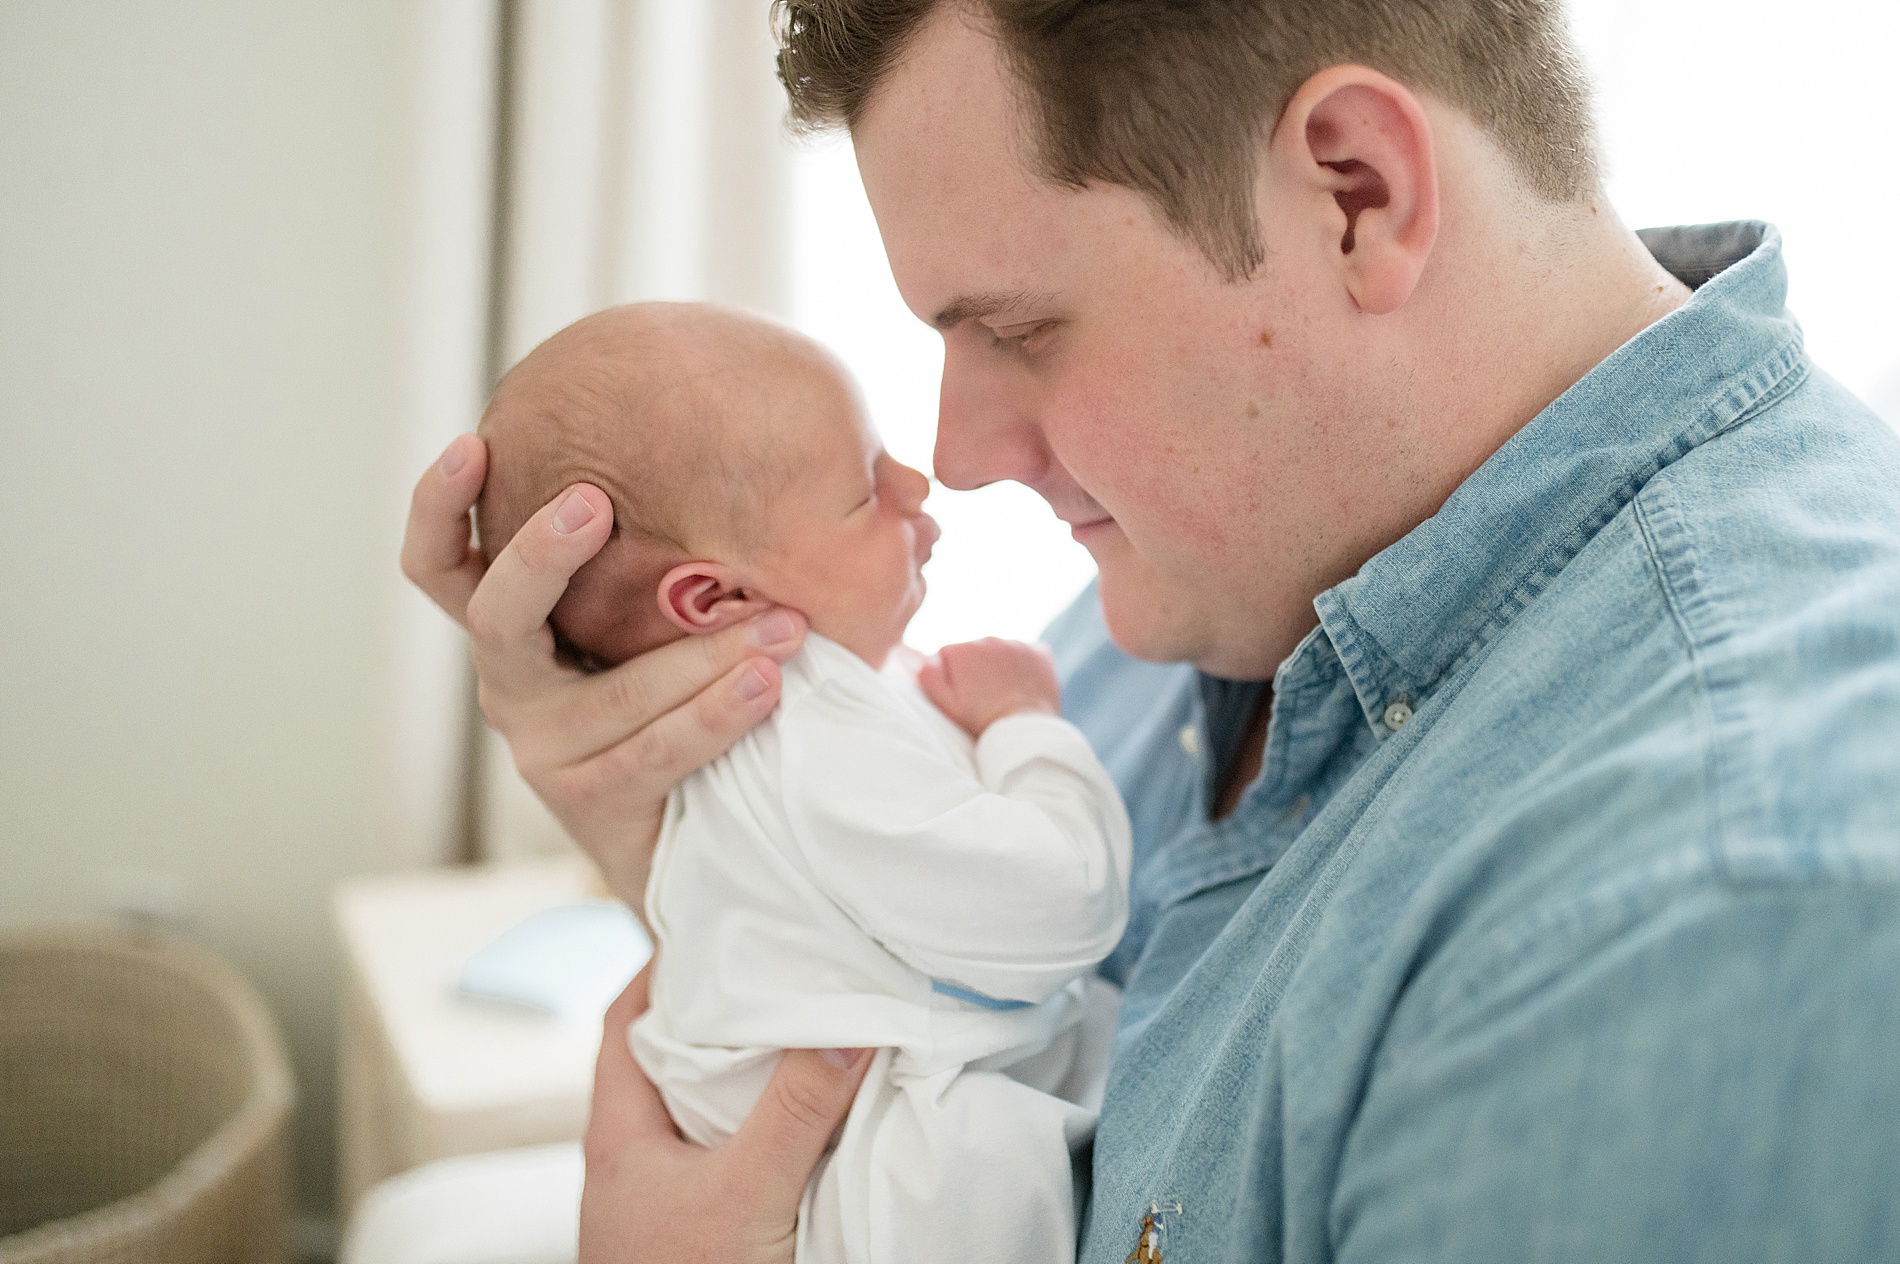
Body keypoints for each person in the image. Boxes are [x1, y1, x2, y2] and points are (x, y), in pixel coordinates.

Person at [402, 0, 1900, 1259]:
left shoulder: (1705, 915)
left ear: (1355, 193)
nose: (962, 452)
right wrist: (672, 833)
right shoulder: (1234, 561)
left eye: (1014, 328)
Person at [474, 300, 1130, 1264]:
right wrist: (1027, 727)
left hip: (830, 1122)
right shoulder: (803, 727)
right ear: (719, 600)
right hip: (869, 1175)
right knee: (988, 1157)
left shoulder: (832, 697)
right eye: (867, 490)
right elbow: (1058, 903)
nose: (918, 479)